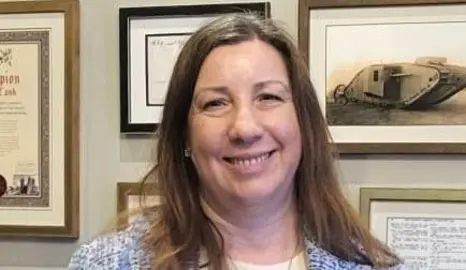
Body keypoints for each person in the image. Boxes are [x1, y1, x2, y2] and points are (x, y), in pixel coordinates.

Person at [68, 12, 407, 270]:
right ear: (184, 134)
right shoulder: (107, 263)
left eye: (269, 97)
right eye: (216, 103)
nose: (244, 128)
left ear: (303, 123)